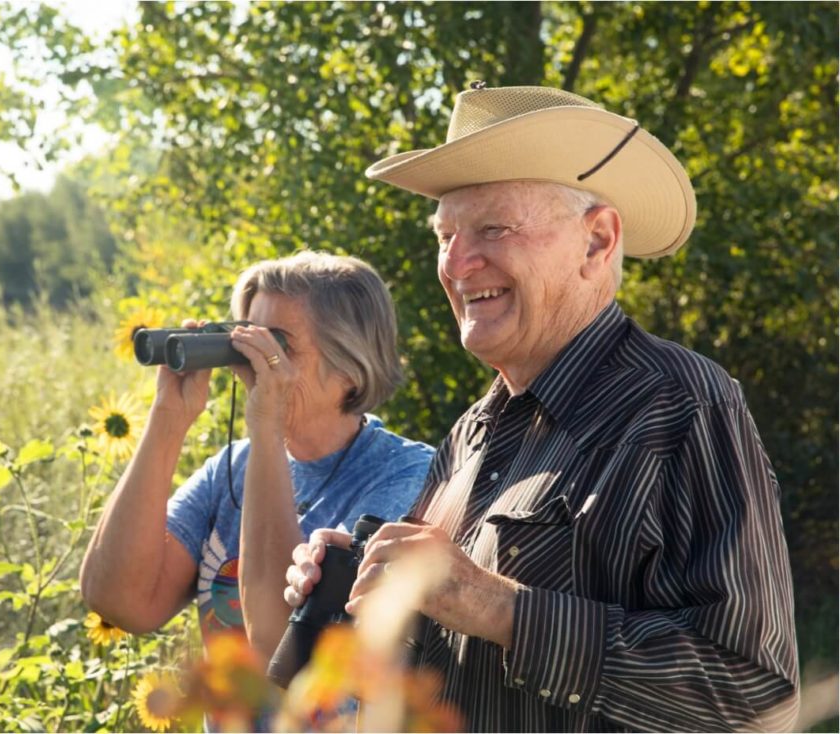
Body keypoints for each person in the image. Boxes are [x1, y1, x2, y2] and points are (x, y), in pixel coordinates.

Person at [284, 85, 799, 732]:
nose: (455, 263)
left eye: (493, 228)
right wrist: (363, 589)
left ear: (596, 242)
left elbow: (755, 697)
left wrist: (499, 609)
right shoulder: (472, 432)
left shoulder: (681, 403)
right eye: (445, 234)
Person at [79, 251, 434, 666]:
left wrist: (266, 425)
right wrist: (168, 417)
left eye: (277, 347)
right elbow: (121, 600)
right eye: (247, 342)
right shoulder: (230, 470)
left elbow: (278, 643)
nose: (255, 366)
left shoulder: (409, 478)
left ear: (350, 368)